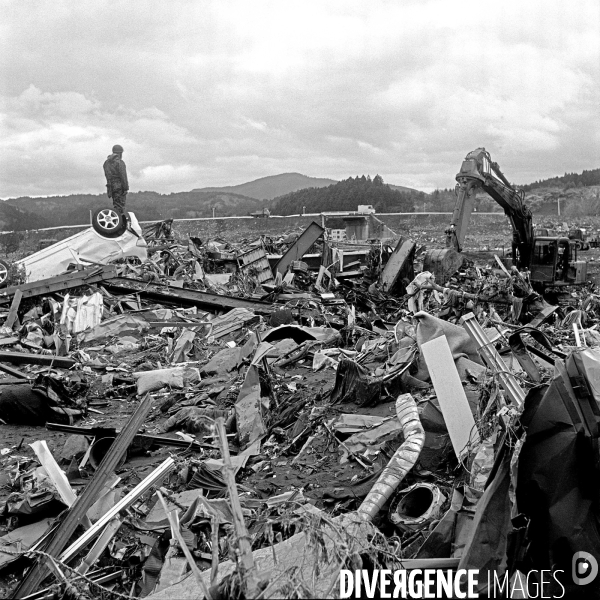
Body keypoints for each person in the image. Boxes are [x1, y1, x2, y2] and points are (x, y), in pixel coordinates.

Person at [103, 144, 129, 215]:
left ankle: (117, 221)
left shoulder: (106, 163)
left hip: (111, 187)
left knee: (116, 205)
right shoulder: (120, 162)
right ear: (120, 153)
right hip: (119, 186)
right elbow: (123, 176)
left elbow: (107, 175)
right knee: (120, 207)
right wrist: (125, 188)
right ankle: (119, 222)